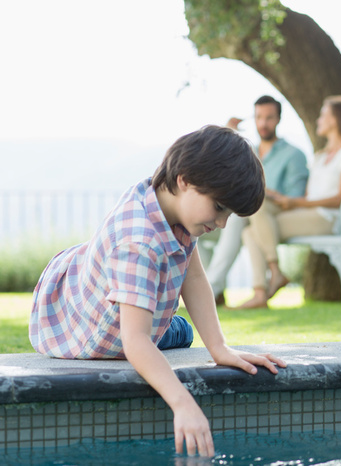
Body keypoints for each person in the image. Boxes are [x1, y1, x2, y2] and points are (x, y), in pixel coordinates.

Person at [29, 125, 287, 457]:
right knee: (180, 331)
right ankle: (170, 325)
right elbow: (134, 340)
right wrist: (183, 403)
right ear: (185, 179)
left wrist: (220, 348)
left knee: (180, 328)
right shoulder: (137, 243)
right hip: (79, 325)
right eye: (220, 208)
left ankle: (170, 324)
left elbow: (193, 280)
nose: (223, 223)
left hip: (116, 310)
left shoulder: (173, 206)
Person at [236, 95, 341, 309]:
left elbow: (340, 199)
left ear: (335, 120)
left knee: (253, 229)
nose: (318, 120)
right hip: (309, 213)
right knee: (252, 218)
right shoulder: (320, 156)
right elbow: (308, 197)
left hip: (328, 218)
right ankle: (262, 290)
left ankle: (273, 276)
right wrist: (283, 199)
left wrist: (295, 204)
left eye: (323, 115)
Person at [201, 95, 309, 307]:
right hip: (238, 216)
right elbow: (216, 169)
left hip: (268, 216)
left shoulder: (294, 155)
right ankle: (214, 289)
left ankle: (209, 291)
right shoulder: (246, 151)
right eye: (259, 117)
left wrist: (264, 192)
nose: (263, 123)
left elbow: (294, 198)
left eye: (269, 117)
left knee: (237, 219)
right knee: (191, 227)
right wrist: (227, 134)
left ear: (278, 119)